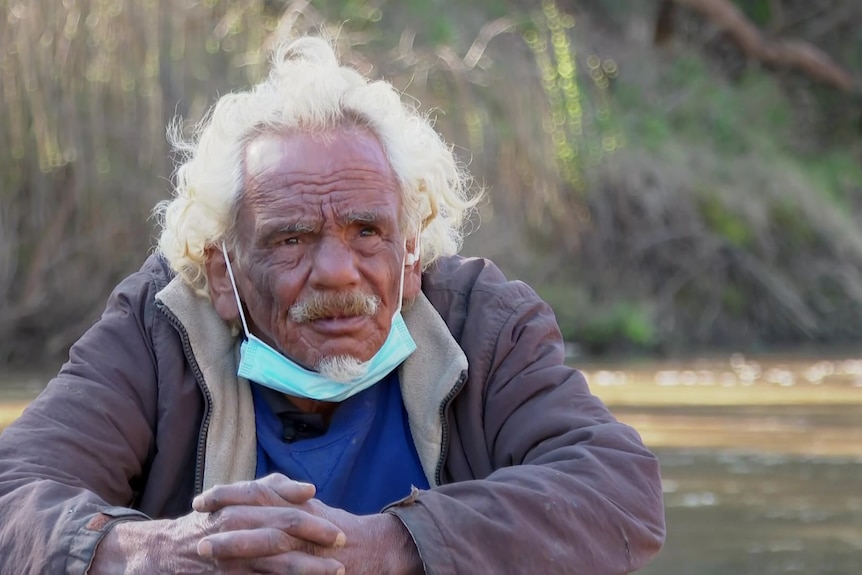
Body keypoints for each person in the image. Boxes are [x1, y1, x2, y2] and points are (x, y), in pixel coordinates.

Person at [0, 36, 665, 574]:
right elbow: (14, 492)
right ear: (224, 274)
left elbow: (617, 492)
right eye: (291, 238)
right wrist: (159, 551)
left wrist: (386, 546)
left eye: (368, 231)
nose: (338, 272)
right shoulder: (160, 325)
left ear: (409, 255)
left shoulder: (483, 323)